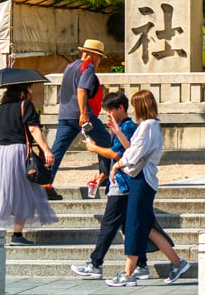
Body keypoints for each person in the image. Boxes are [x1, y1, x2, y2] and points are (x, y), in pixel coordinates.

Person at [69, 91, 171, 281]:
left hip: (125, 182)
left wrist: (95, 149)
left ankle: (97, 263)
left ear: (120, 108)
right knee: (131, 226)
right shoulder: (130, 126)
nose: (107, 114)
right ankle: (142, 264)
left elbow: (122, 154)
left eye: (109, 110)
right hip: (125, 181)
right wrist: (104, 173)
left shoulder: (135, 127)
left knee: (112, 224)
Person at [105, 90, 191, 287]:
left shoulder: (147, 127)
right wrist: (118, 131)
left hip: (141, 180)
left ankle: (128, 273)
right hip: (143, 180)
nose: (132, 108)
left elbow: (133, 155)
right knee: (147, 227)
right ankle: (177, 263)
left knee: (135, 224)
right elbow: (133, 150)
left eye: (135, 105)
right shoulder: (150, 126)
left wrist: (117, 165)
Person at [0, 83, 57, 244]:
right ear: (23, 90)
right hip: (18, 151)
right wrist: (46, 150)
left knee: (2, 188)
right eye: (29, 88)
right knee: (25, 192)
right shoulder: (25, 105)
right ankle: (17, 235)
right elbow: (34, 129)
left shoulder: (1, 108)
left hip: (1, 153)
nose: (31, 91)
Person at [48, 39, 113, 201]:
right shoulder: (88, 67)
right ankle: (104, 176)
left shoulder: (69, 67)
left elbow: (62, 92)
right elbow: (82, 89)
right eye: (99, 57)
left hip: (65, 114)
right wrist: (84, 113)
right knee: (105, 139)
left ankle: (45, 183)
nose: (99, 61)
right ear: (91, 56)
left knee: (57, 150)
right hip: (82, 115)